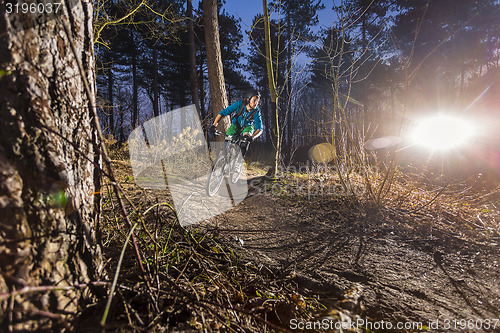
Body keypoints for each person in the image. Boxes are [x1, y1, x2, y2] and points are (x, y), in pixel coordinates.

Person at [211, 91, 263, 157]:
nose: (256, 103)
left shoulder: (256, 111)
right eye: (254, 100)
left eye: (257, 101)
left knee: (245, 141)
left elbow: (260, 128)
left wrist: (252, 137)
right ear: (248, 99)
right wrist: (214, 125)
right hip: (235, 125)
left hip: (247, 127)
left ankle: (239, 162)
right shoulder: (239, 104)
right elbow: (223, 113)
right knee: (226, 145)